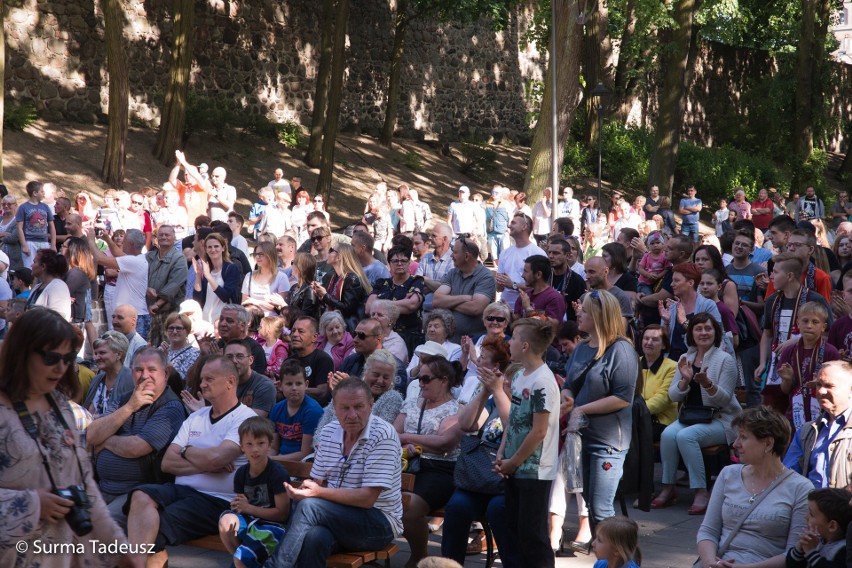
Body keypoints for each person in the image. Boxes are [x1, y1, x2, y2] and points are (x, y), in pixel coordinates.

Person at [0, 308, 134, 568]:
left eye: (68, 358)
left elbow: (86, 487)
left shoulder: (62, 407)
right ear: (22, 353)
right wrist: (32, 503)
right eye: (51, 358)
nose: (62, 367)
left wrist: (122, 551)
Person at [124, 356, 257, 567]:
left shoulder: (245, 419)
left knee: (150, 528)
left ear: (230, 382)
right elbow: (167, 463)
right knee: (141, 495)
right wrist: (205, 462)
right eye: (202, 379)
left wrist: (186, 451)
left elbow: (218, 458)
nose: (202, 384)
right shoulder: (196, 417)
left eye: (209, 379)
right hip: (184, 493)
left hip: (218, 501)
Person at [265, 378, 403, 568]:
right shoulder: (330, 432)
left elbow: (367, 499)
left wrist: (316, 493)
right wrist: (306, 491)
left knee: (309, 506)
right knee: (315, 536)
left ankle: (274, 566)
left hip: (379, 522)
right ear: (334, 409)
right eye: (345, 408)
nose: (352, 414)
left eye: (358, 406)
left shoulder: (383, 435)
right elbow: (318, 482)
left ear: (371, 405)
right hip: (336, 516)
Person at [696, 406, 812, 568]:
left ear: (768, 443)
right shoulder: (728, 474)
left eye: (743, 437)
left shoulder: (801, 488)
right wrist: (710, 563)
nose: (735, 444)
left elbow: (794, 554)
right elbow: (708, 531)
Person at [653, 313, 742, 514]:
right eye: (698, 329)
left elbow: (725, 399)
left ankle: (701, 491)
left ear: (715, 332)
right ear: (691, 333)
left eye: (708, 328)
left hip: (721, 419)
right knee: (667, 434)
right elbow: (674, 396)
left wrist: (708, 384)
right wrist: (685, 380)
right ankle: (668, 487)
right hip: (691, 416)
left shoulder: (725, 359)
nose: (703, 333)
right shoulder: (687, 357)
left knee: (686, 436)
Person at [563, 290, 638, 526]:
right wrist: (567, 398)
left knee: (601, 508)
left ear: (598, 315)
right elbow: (569, 384)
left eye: (584, 310)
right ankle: (605, 557)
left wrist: (582, 410)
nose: (579, 313)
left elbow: (623, 397)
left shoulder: (622, 350)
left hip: (607, 442)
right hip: (581, 437)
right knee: (590, 504)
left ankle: (617, 560)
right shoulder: (582, 347)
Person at [441, 335, 518, 564]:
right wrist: (485, 392)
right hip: (476, 479)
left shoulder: (522, 405)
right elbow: (465, 424)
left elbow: (512, 429)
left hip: (505, 485)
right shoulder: (491, 398)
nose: (505, 383)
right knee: (456, 507)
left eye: (509, 380)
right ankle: (450, 564)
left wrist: (498, 392)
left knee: (498, 510)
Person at [88, 347, 186, 518]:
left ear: (166, 373)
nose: (144, 375)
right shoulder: (125, 399)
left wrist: (105, 441)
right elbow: (92, 435)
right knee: (70, 519)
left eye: (152, 370)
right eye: (139, 370)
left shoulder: (171, 406)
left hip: (138, 492)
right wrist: (129, 407)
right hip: (102, 487)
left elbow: (136, 447)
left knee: (100, 525)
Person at [497, 317, 560, 568]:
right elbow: (513, 421)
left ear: (524, 345)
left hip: (534, 470)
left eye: (512, 338)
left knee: (533, 536)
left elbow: (539, 431)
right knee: (514, 529)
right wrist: (502, 454)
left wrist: (513, 462)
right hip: (515, 467)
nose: (508, 342)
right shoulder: (522, 375)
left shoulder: (542, 381)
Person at [395, 356, 463, 567]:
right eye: (418, 378)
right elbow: (393, 433)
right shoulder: (411, 403)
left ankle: (420, 555)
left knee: (409, 506)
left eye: (426, 378)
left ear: (443, 380)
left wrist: (407, 438)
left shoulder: (456, 409)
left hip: (440, 470)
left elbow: (445, 443)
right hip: (408, 463)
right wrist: (405, 444)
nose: (420, 383)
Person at [218, 416, 291, 568]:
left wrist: (249, 508)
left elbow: (282, 514)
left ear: (270, 444)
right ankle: (243, 559)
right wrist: (238, 506)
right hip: (250, 521)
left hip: (272, 527)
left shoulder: (277, 474)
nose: (255, 449)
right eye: (249, 444)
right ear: (242, 447)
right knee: (226, 522)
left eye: (260, 443)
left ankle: (242, 560)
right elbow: (241, 506)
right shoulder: (241, 473)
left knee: (241, 559)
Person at [783, 360, 852, 489]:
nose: (820, 391)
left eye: (829, 386)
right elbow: (789, 477)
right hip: (809, 506)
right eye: (818, 385)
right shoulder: (806, 431)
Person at [313, 349, 405, 445]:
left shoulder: (392, 398)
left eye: (386, 377)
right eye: (376, 375)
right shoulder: (347, 392)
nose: (380, 381)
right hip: (327, 450)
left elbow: (375, 434)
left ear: (392, 379)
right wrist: (322, 447)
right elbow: (321, 429)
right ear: (365, 372)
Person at [775, 302, 840, 432]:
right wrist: (787, 379)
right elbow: (785, 390)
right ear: (798, 324)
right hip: (795, 413)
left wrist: (820, 384)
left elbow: (837, 387)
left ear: (823, 327)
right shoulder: (789, 351)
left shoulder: (830, 352)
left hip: (824, 413)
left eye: (815, 322)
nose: (809, 326)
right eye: (805, 321)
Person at [433, 236, 496, 341]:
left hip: (474, 342)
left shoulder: (486, 277)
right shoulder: (453, 273)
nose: (452, 255)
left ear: (466, 256)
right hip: (449, 340)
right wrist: (464, 298)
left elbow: (475, 308)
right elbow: (436, 300)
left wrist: (448, 302)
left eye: (455, 252)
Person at [659, 262, 723, 362]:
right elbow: (664, 342)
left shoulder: (708, 306)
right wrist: (666, 323)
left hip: (699, 363)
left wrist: (685, 322)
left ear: (690, 283)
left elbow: (715, 338)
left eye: (676, 280)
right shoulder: (671, 308)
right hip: (672, 363)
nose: (672, 284)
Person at [368, 246, 426, 353]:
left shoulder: (416, 281)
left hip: (410, 337)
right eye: (395, 261)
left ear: (409, 263)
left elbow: (411, 305)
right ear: (389, 264)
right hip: (383, 336)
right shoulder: (381, 282)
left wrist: (380, 304)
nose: (399, 264)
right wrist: (401, 302)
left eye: (403, 261)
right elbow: (369, 307)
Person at [268, 359, 324, 462]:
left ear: (306, 384)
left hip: (303, 463)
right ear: (280, 386)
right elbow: (274, 447)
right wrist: (266, 459)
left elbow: (305, 452)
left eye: (298, 384)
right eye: (289, 384)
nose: (294, 388)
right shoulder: (276, 409)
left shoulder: (312, 411)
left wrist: (272, 460)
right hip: (279, 458)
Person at [457, 302, 511, 403]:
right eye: (490, 318)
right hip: (468, 386)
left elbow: (502, 372)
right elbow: (462, 368)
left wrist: (473, 357)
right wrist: (465, 353)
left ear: (506, 323)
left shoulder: (510, 343)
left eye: (500, 319)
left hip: (491, 390)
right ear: (484, 321)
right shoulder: (475, 340)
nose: (495, 322)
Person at [785, 488, 852, 568]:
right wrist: (799, 549)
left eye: (811, 514)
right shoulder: (817, 540)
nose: (806, 516)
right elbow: (791, 565)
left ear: (832, 526)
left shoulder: (843, 550)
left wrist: (811, 553)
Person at [312, 243, 371, 332]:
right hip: (335, 325)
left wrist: (325, 295)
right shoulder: (335, 277)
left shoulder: (352, 278)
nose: (329, 252)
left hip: (348, 329)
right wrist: (321, 295)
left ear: (339, 257)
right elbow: (332, 303)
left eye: (331, 250)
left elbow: (347, 309)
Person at [495, 213, 547, 309]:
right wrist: (499, 283)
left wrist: (513, 285)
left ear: (524, 226)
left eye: (513, 223)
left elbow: (541, 287)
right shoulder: (504, 253)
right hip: (504, 310)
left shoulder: (537, 253)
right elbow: (499, 288)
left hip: (527, 310)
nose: (509, 226)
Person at [639, 325, 678, 441]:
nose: (649, 342)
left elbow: (663, 399)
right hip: (636, 417)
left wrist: (635, 411)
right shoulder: (634, 362)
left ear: (664, 345)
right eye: (646, 338)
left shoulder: (673, 367)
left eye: (655, 340)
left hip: (661, 421)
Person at [193, 232, 242, 324]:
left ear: (223, 248)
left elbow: (225, 296)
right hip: (206, 318)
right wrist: (198, 275)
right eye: (209, 247)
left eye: (216, 246)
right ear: (206, 249)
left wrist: (208, 276)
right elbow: (197, 298)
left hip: (223, 320)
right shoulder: (206, 268)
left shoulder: (231, 268)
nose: (213, 249)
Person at [285, 316, 335, 403]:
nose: (295, 335)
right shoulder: (288, 361)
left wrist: (290, 389)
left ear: (314, 337)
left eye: (301, 331)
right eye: (293, 331)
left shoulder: (323, 359)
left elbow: (322, 393)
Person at [83, 330, 133, 417]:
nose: (96, 357)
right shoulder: (97, 380)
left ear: (118, 355)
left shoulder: (130, 379)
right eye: (95, 353)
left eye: (102, 353)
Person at [224, 339, 277, 418]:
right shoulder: (220, 383)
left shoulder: (264, 386)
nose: (234, 361)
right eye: (229, 357)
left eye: (240, 356)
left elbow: (252, 423)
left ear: (250, 360)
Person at [16, 180, 56, 269]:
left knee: (45, 267)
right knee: (30, 267)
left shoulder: (45, 207)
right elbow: (19, 228)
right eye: (41, 191)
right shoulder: (23, 207)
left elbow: (52, 226)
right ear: (34, 193)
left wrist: (53, 244)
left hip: (44, 241)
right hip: (30, 241)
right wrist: (24, 245)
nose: (44, 193)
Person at [242, 241, 289, 316]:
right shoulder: (249, 276)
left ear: (270, 255)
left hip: (273, 322)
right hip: (252, 319)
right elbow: (244, 302)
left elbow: (280, 307)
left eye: (261, 254)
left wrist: (256, 302)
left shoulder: (281, 277)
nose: (257, 257)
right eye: (256, 254)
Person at [416, 222, 454, 314]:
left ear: (444, 239)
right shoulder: (426, 257)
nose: (430, 238)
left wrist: (425, 279)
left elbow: (449, 290)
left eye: (434, 236)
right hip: (422, 310)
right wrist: (438, 286)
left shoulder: (453, 260)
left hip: (444, 313)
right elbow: (416, 282)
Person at [26, 248, 72, 321]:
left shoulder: (58, 287)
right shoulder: (38, 287)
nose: (31, 265)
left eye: (34, 262)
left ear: (43, 267)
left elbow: (58, 319)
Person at [161, 312, 200, 380]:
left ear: (187, 331)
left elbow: (181, 378)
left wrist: (166, 358)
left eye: (179, 328)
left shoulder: (194, 354)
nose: (175, 331)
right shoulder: (161, 350)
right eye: (171, 328)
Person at [288, 252, 322, 321]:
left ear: (300, 267)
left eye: (293, 263)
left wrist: (283, 306)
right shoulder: (294, 287)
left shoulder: (310, 290)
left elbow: (305, 317)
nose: (291, 266)